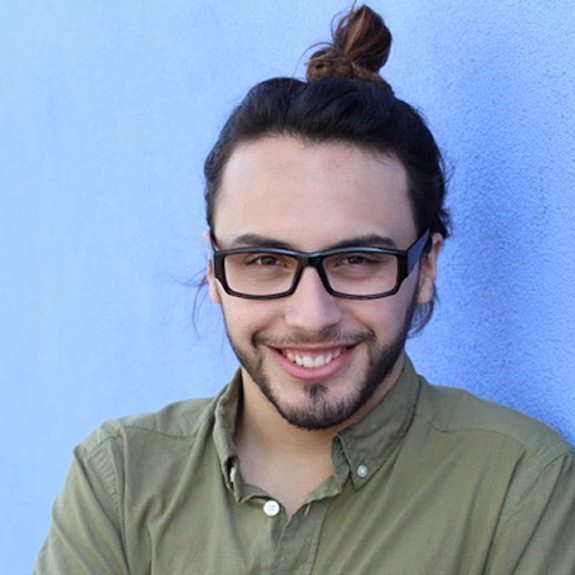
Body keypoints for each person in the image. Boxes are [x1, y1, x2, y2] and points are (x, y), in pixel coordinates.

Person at [34, 5, 575, 574]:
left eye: (358, 259)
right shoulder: (120, 479)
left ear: (427, 265)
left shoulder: (518, 486)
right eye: (264, 259)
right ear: (216, 269)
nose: (310, 315)